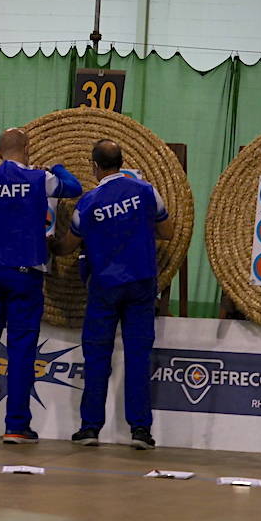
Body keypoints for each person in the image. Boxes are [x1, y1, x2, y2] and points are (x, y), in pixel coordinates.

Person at [0, 128, 82, 443]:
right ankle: (15, 426)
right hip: (25, 274)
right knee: (22, 349)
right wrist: (57, 167)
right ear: (26, 148)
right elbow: (74, 187)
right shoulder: (40, 179)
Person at [51, 139, 173, 450]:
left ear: (94, 166)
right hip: (142, 283)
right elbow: (167, 231)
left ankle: (90, 428)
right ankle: (141, 431)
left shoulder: (89, 203)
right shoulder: (146, 191)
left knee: (96, 358)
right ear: (122, 161)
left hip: (104, 287)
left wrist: (48, 242)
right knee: (137, 356)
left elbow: (67, 246)